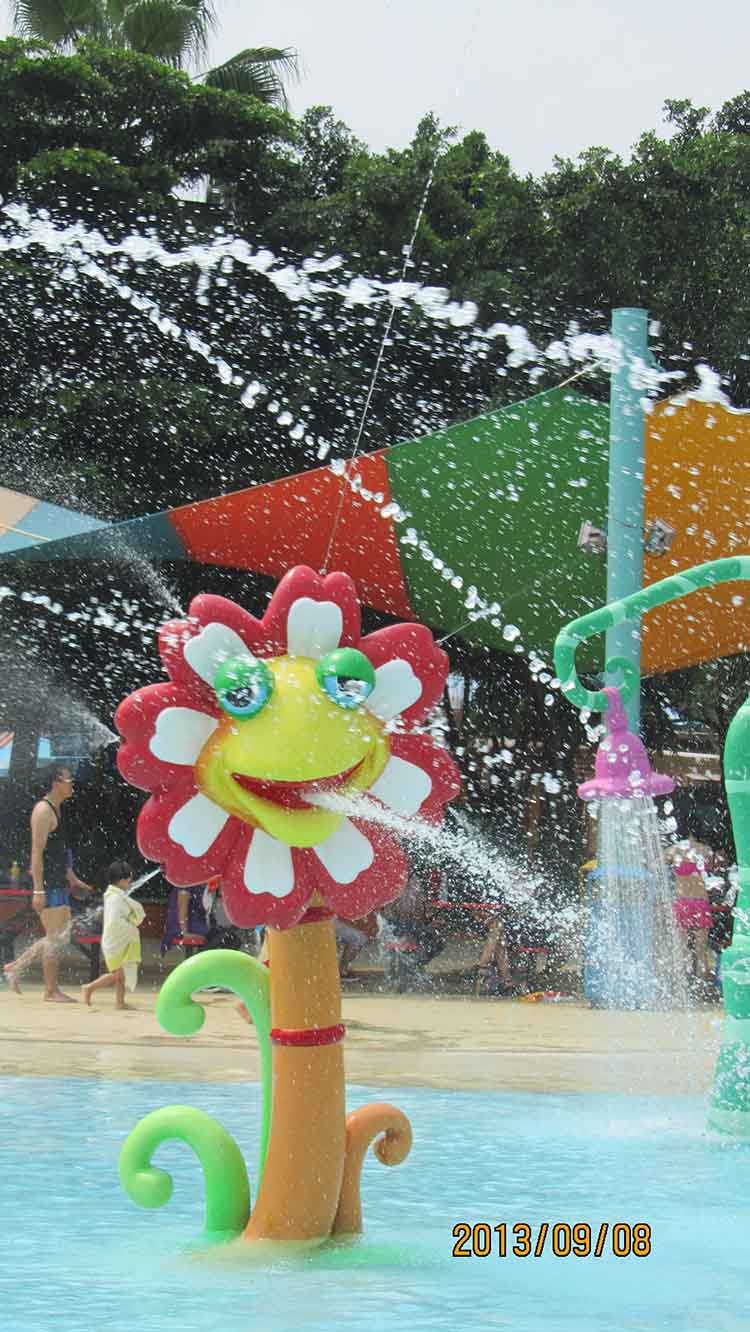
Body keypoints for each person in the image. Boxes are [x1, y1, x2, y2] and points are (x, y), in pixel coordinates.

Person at [3, 763, 93, 1000]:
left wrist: (72, 878)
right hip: (48, 885)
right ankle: (50, 990)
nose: (72, 784)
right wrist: (38, 890)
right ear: (55, 783)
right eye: (68, 780)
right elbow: (36, 852)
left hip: (57, 882)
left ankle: (16, 967)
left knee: (59, 936)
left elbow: (58, 851)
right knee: (55, 937)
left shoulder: (57, 809)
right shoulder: (43, 811)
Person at [82, 861, 144, 1009]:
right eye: (128, 880)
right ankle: (89, 988)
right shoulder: (115, 898)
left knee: (120, 974)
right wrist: (131, 924)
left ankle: (120, 1002)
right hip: (115, 941)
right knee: (117, 975)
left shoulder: (114, 895)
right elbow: (115, 921)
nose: (130, 883)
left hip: (115, 939)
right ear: (121, 880)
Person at [667, 836, 714, 982]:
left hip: (683, 902)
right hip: (701, 902)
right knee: (701, 947)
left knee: (682, 947)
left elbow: (653, 864)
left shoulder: (673, 850)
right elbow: (712, 871)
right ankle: (702, 982)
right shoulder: (706, 850)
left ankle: (681, 980)